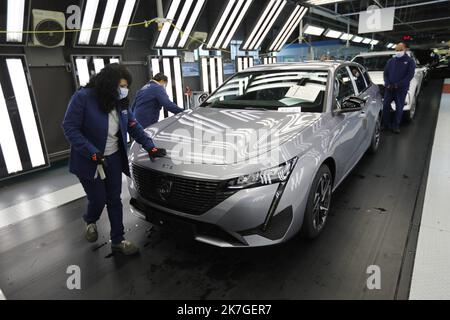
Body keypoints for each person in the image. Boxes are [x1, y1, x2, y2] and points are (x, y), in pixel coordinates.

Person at [62, 64, 167, 256]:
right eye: (121, 85)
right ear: (107, 83)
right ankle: (90, 219)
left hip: (113, 158)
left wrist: (150, 146)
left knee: (114, 199)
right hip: (89, 159)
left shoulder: (120, 103)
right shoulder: (83, 98)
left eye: (126, 86)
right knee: (98, 198)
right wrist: (92, 152)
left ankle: (118, 240)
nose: (124, 90)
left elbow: (134, 125)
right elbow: (70, 128)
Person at [382, 42, 416, 134]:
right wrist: (387, 83)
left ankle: (395, 126)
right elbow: (385, 74)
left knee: (399, 107)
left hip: (401, 89)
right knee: (385, 106)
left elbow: (410, 75)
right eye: (396, 50)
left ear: (404, 49)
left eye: (400, 50)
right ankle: (386, 125)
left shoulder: (410, 61)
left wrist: (398, 85)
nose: (398, 52)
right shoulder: (390, 61)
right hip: (389, 89)